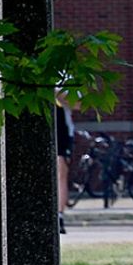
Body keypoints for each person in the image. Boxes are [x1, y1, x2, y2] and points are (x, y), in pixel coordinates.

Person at [54, 89, 76, 234]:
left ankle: (59, 214)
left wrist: (55, 93)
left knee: (61, 171)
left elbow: (79, 104)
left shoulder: (66, 76)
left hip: (61, 131)